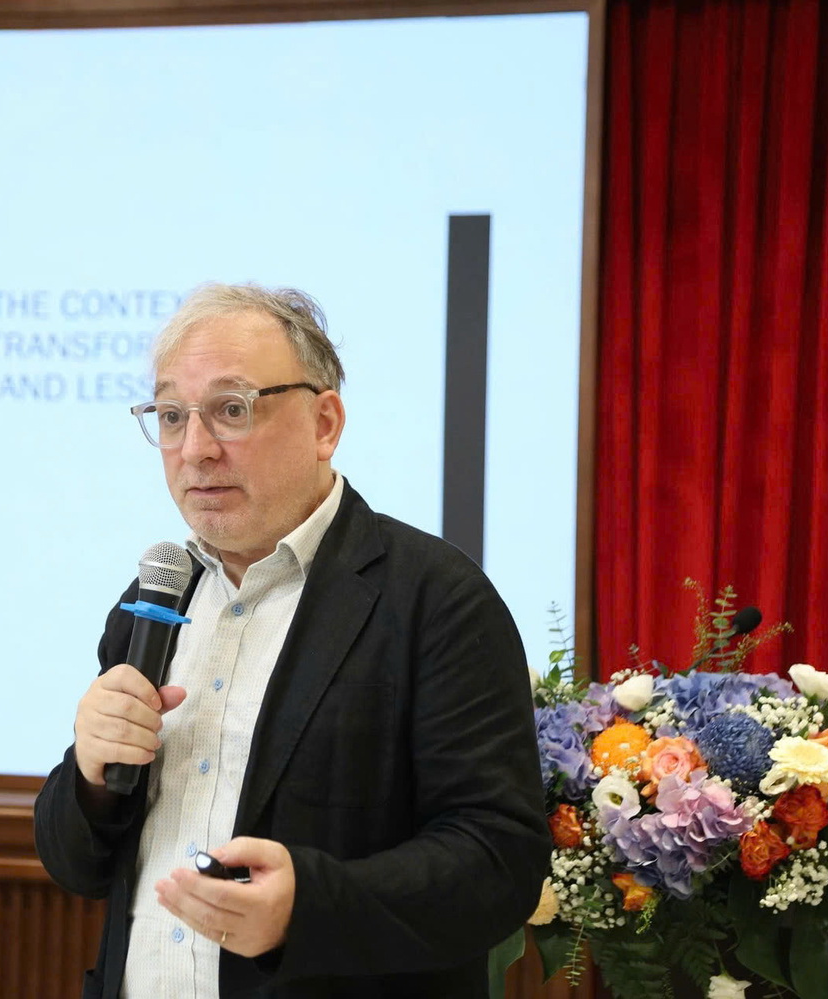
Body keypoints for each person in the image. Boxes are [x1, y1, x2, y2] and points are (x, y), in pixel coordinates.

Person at [34, 282, 550, 998]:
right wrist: (90, 781)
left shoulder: (435, 599)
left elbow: (499, 862)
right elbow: (76, 865)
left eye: (231, 410)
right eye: (172, 416)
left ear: (323, 423)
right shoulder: (151, 602)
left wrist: (310, 907)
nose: (195, 450)